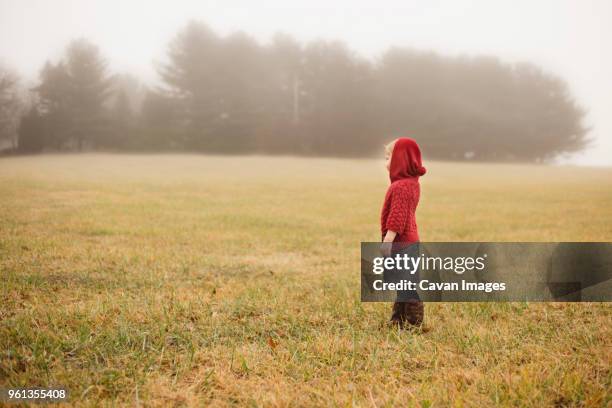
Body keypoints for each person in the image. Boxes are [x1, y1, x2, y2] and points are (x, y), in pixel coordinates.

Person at [380, 137, 426, 328]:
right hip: (410, 242)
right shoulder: (411, 183)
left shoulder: (401, 187)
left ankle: (414, 322)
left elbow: (397, 216)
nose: (386, 162)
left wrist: (388, 240)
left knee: (406, 285)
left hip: (402, 242)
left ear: (401, 159)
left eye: (389, 156)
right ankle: (398, 319)